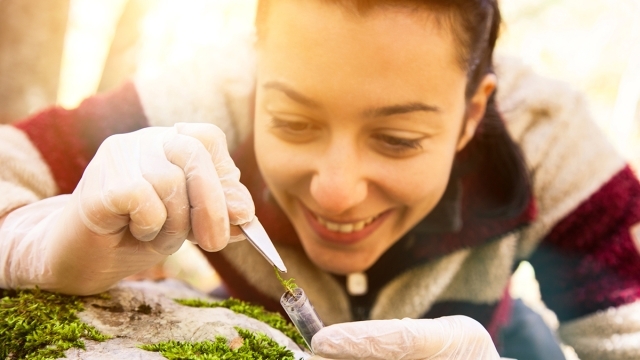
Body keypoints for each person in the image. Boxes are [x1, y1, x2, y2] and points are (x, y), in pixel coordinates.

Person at [1, 0, 639, 359]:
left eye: (396, 138)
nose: (336, 192)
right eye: (293, 122)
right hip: (259, 322)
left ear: (473, 114)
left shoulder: (550, 140)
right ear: (255, 78)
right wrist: (34, 241)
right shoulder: (203, 99)